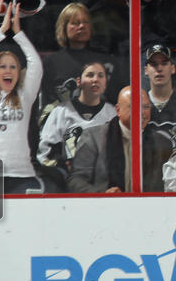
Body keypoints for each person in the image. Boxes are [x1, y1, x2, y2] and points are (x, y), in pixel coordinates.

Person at [68, 87, 172, 193]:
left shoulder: (162, 142)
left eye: (146, 107)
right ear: (118, 110)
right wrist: (103, 194)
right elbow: (76, 181)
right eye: (134, 106)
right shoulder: (93, 137)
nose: (141, 112)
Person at [37, 61, 117, 189]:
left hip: (103, 182)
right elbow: (46, 152)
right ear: (79, 81)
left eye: (100, 75)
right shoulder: (61, 111)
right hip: (66, 182)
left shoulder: (112, 113)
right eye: (90, 75)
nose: (95, 79)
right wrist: (62, 168)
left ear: (105, 83)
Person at [0, 1, 43, 194]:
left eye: (13, 67)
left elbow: (36, 64)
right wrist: (0, 31)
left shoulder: (24, 94)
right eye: (3, 66)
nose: (8, 70)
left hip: (22, 174)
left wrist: (18, 33)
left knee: (29, 215)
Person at [40, 2, 124, 110]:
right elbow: (48, 103)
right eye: (75, 23)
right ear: (64, 27)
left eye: (86, 22)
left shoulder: (107, 61)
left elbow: (116, 100)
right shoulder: (51, 63)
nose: (82, 26)